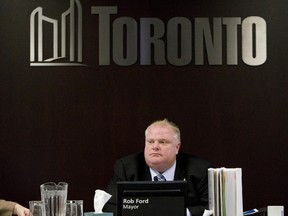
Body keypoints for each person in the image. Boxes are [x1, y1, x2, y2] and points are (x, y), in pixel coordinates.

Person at [103, 119, 212, 216]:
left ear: (177, 147)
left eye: (162, 142)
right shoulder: (126, 168)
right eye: (150, 142)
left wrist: (181, 213)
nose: (155, 147)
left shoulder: (199, 170)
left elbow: (212, 208)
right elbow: (107, 207)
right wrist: (150, 210)